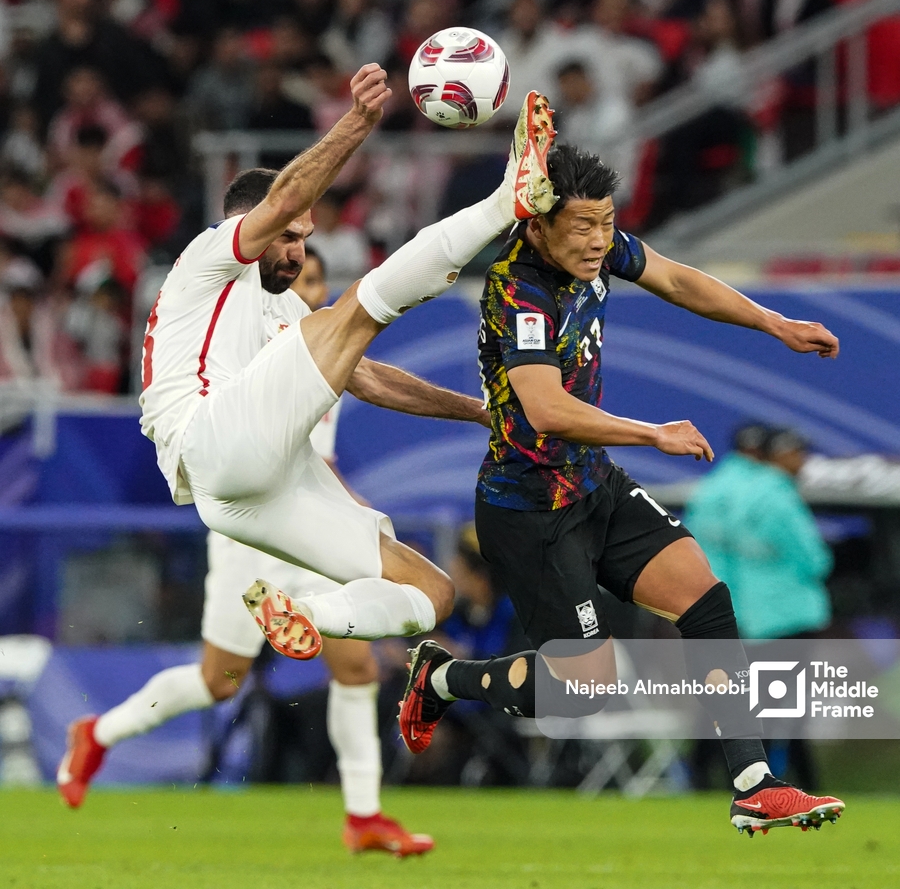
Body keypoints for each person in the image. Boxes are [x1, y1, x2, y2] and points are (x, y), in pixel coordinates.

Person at [56, 70, 558, 817]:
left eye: (304, 239)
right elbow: (290, 206)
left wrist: (481, 414)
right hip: (211, 445)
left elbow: (371, 379)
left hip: (255, 491)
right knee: (360, 308)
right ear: (249, 227)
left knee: (430, 596)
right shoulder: (209, 261)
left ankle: (302, 618)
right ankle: (503, 201)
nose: (297, 247)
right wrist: (357, 122)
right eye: (288, 236)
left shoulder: (281, 308)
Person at [397, 143, 845, 835]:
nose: (599, 241)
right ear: (539, 225)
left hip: (593, 486)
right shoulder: (519, 288)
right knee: (583, 690)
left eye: (607, 224)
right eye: (582, 228)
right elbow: (545, 409)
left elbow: (676, 278)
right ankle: (443, 679)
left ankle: (756, 781)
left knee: (702, 593)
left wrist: (772, 322)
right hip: (529, 509)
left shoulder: (598, 249)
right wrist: (652, 433)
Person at [56, 249, 450, 854]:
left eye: (320, 281)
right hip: (251, 529)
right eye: (304, 277)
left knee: (356, 667)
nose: (311, 290)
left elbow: (344, 423)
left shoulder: (327, 349)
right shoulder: (251, 338)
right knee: (220, 681)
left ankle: (364, 813)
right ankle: (99, 732)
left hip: (306, 524)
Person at [686, 424, 833, 790]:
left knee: (722, 697)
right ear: (772, 454)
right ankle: (783, 783)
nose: (803, 461)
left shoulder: (714, 489)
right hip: (784, 613)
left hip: (724, 607)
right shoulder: (774, 494)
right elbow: (814, 559)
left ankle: (705, 779)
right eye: (797, 453)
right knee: (785, 710)